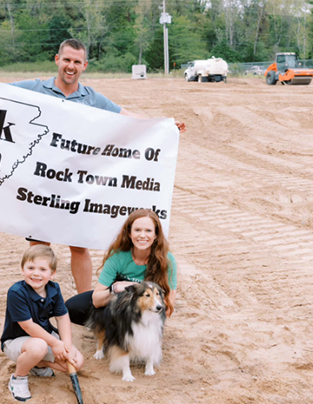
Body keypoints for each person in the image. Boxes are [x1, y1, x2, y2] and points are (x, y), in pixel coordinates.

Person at [10, 38, 186, 296]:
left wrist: (164, 126)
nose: (71, 66)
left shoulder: (92, 98)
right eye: (67, 60)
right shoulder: (35, 88)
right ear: (57, 60)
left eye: (77, 62)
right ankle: (36, 298)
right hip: (42, 183)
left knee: (78, 245)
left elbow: (127, 117)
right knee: (38, 244)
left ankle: (84, 303)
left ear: (85, 65)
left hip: (77, 186)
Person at [1, 245, 85, 402]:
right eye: (31, 267)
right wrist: (54, 343)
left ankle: (38, 364)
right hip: (16, 341)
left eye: (42, 269)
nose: (36, 273)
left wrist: (65, 344)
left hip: (43, 338)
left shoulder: (54, 289)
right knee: (38, 346)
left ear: (52, 274)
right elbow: (28, 326)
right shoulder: (16, 292)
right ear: (22, 269)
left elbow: (62, 317)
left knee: (77, 361)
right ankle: (18, 378)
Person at [65, 209, 177, 325]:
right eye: (137, 230)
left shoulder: (167, 259)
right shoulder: (118, 255)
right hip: (118, 298)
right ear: (129, 233)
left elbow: (168, 306)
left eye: (148, 231)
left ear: (156, 235)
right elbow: (97, 300)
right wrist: (116, 288)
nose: (142, 235)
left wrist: (135, 287)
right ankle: (109, 326)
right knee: (71, 307)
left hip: (147, 307)